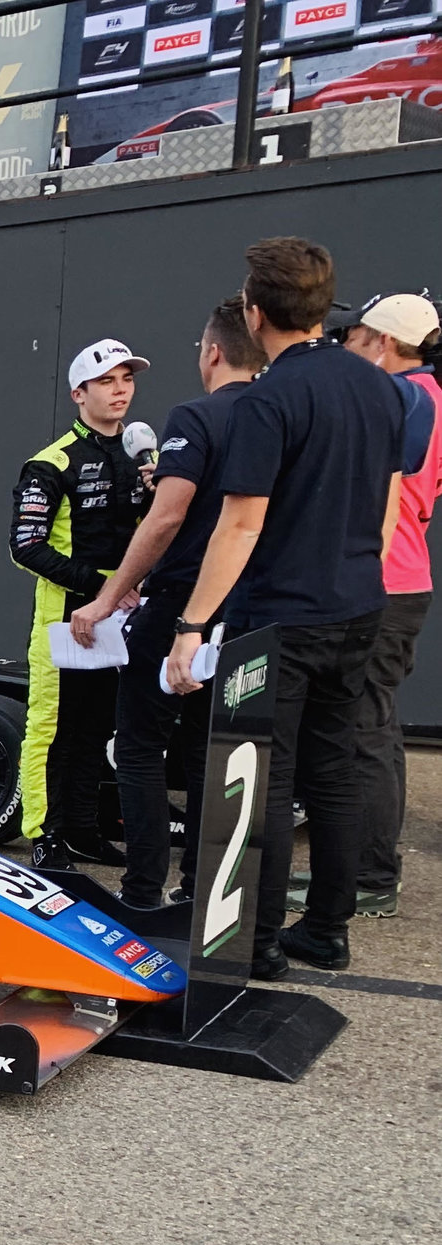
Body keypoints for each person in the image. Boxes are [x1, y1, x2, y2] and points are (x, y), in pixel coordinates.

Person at [167, 237, 406, 977]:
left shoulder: (271, 398)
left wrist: (191, 625)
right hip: (359, 602)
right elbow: (391, 505)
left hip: (283, 616)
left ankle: (259, 942)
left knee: (262, 773)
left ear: (256, 310)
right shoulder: (378, 384)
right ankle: (327, 930)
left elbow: (240, 524)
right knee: (335, 767)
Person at [70, 301, 264, 909]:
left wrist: (106, 598)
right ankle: (206, 892)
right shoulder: (280, 413)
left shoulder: (199, 414)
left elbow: (168, 517)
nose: (121, 389)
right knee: (214, 750)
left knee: (137, 745)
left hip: (183, 601)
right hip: (253, 606)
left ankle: (143, 891)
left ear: (212, 352)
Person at [319, 290, 442, 918]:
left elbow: (396, 468)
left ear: (386, 343)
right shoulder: (423, 393)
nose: (350, 346)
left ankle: (368, 877)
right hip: (397, 578)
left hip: (384, 581)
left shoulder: (409, 394)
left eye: (360, 336)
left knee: (366, 730)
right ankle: (366, 871)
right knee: (374, 727)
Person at [12, 339, 152, 870]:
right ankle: (42, 837)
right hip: (64, 616)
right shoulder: (51, 462)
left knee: (97, 726)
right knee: (51, 726)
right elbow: (24, 546)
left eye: (127, 380)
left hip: (123, 613)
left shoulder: (143, 456)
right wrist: (103, 585)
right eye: (107, 381)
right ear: (79, 393)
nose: (120, 390)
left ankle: (83, 829)